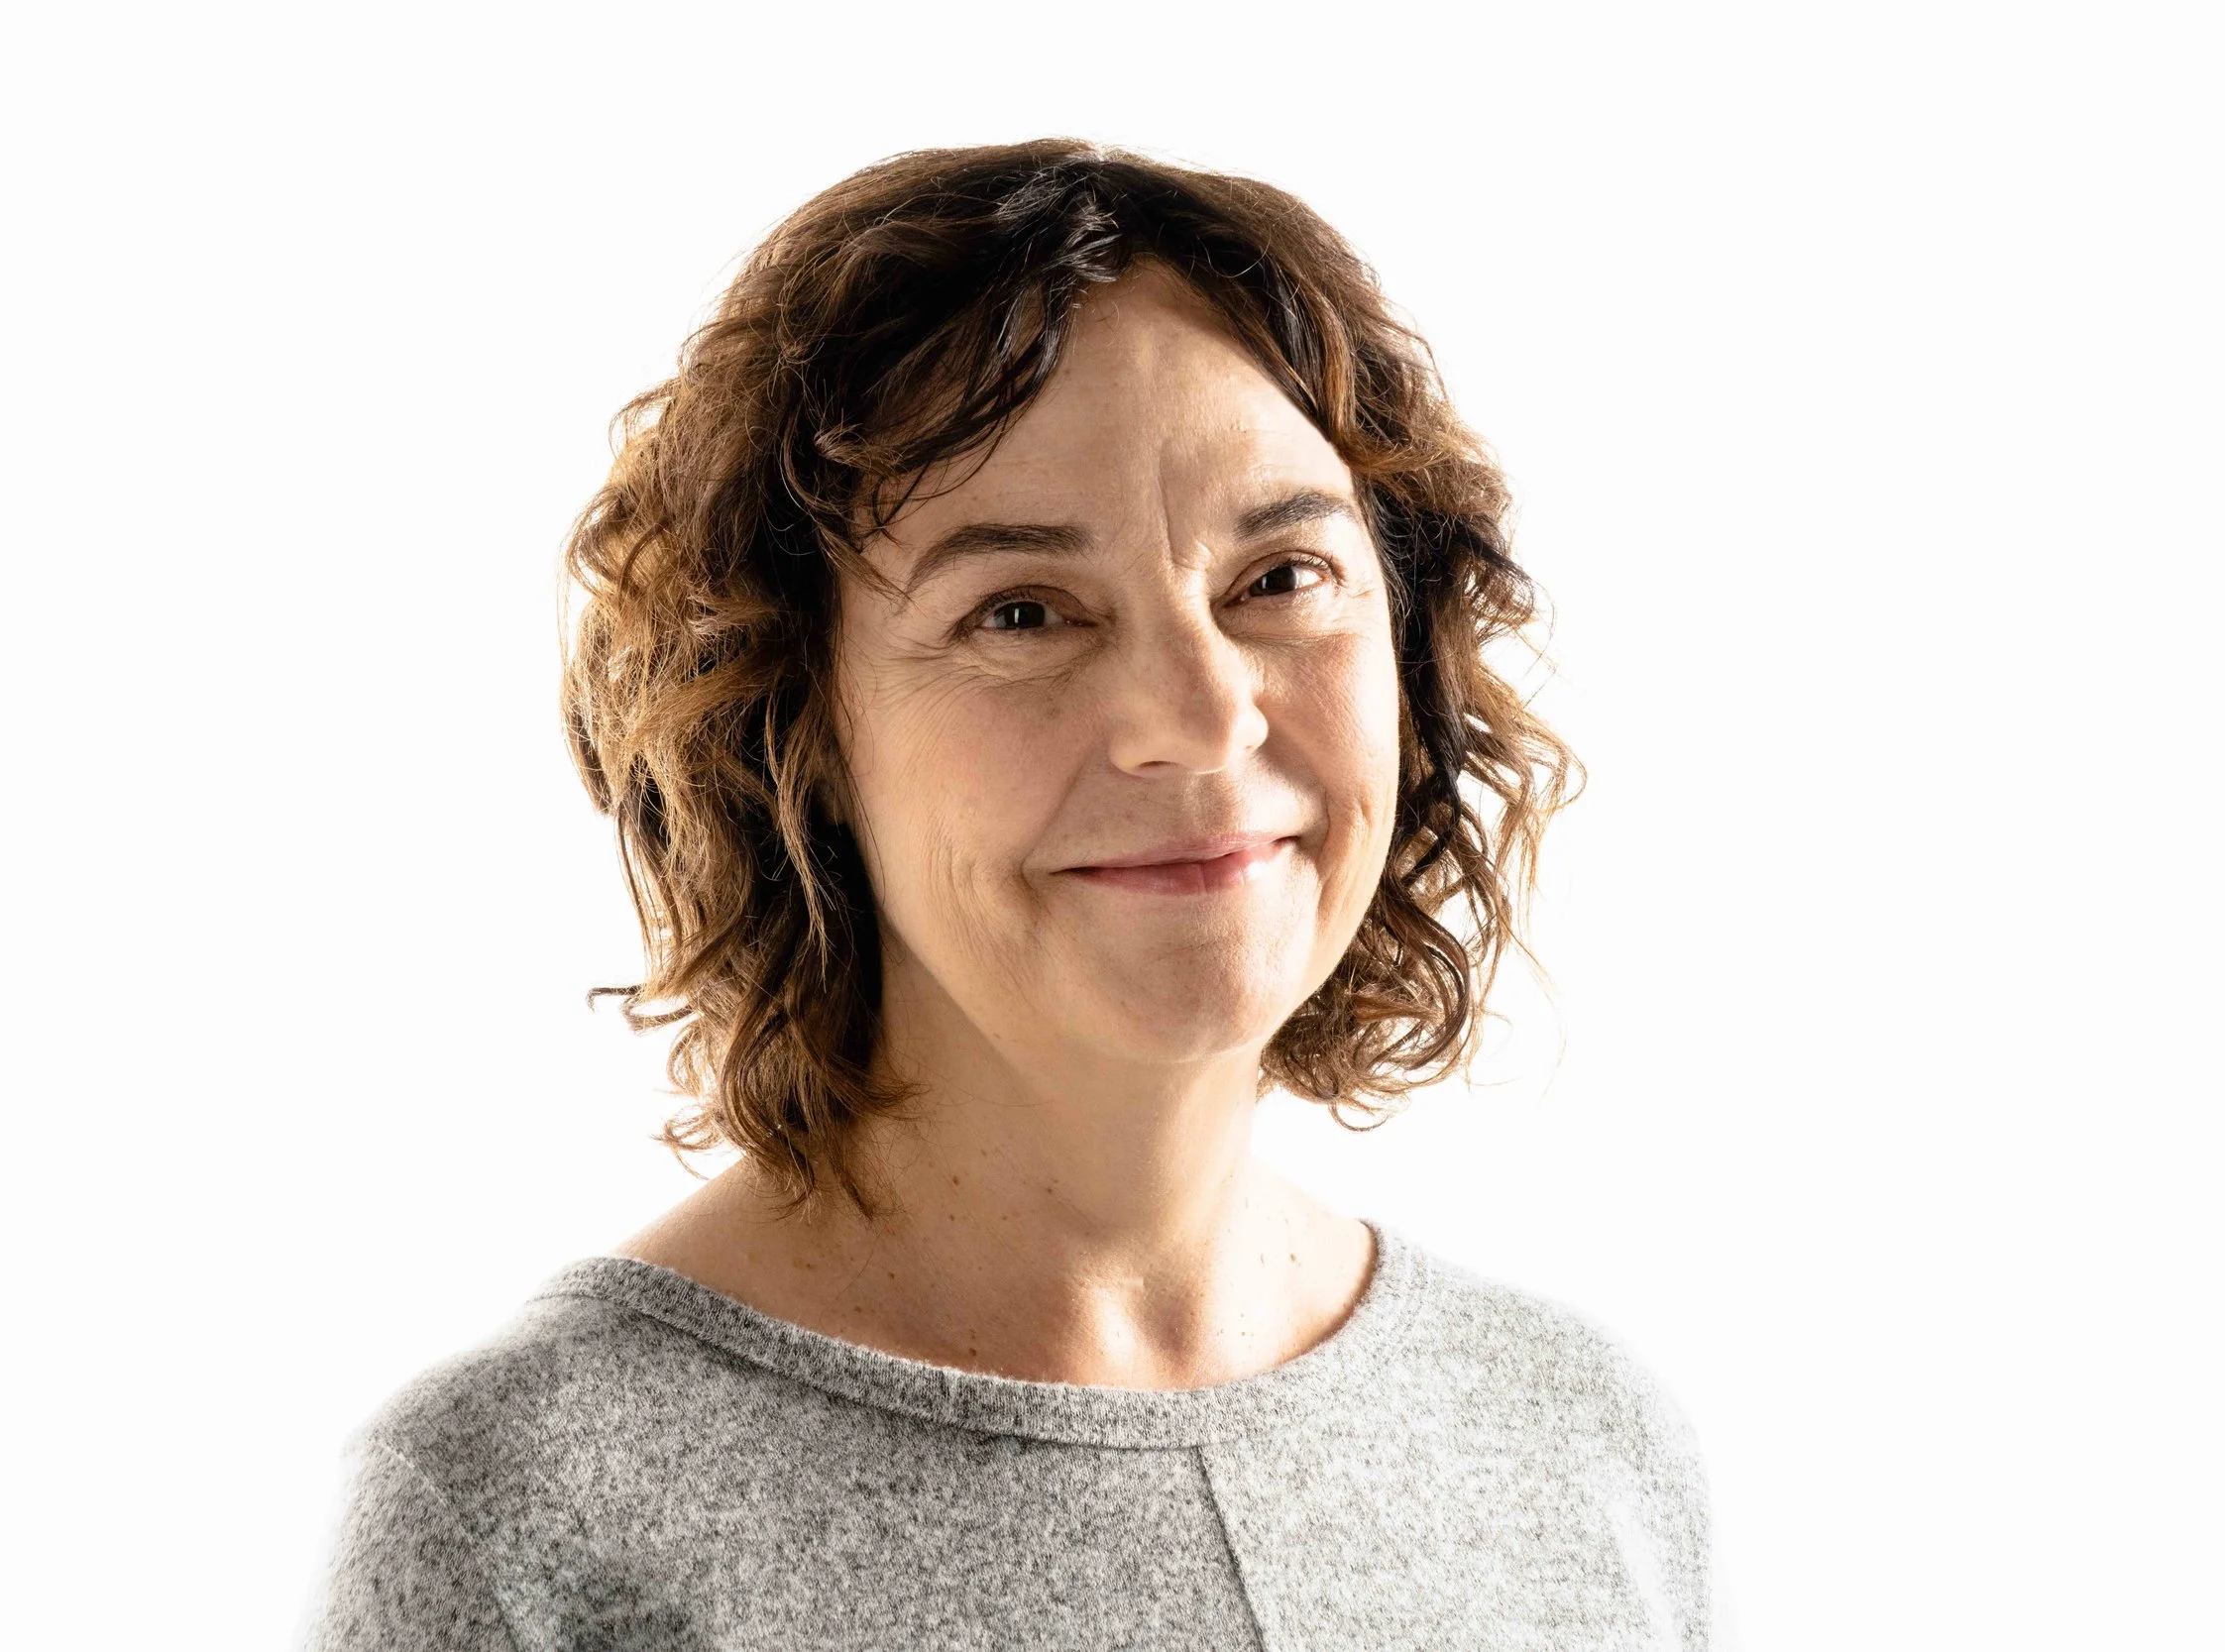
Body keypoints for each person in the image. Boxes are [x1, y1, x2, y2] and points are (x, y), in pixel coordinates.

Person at [302, 138, 1726, 1649]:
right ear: (792, 730)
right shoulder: (519, 1518)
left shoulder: (1581, 1448)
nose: (1197, 711)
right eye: (1024, 610)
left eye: (1280, 576)